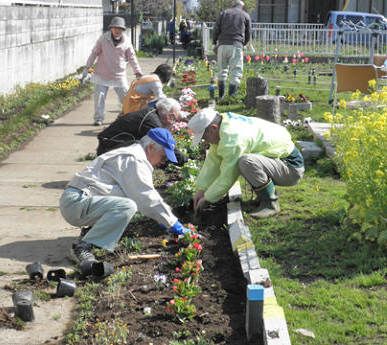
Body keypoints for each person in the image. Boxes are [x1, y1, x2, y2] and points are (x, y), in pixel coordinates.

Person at [59, 128, 195, 264]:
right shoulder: (135, 160)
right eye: (163, 157)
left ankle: (91, 232)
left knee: (129, 198)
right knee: (128, 205)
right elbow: (148, 198)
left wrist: (163, 217)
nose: (163, 162)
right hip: (76, 202)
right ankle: (81, 248)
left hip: (79, 199)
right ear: (151, 147)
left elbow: (143, 197)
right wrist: (174, 224)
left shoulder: (135, 154)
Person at [188, 108, 304, 219]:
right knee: (243, 162)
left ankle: (270, 203)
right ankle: (262, 198)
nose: (206, 142)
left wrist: (208, 198)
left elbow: (228, 175)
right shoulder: (223, 124)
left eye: (205, 138)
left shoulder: (233, 138)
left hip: (290, 168)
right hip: (277, 163)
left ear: (213, 127)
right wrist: (201, 190)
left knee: (245, 162)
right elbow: (213, 161)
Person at [82, 16, 143, 126]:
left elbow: (132, 58)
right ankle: (98, 119)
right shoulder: (103, 39)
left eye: (120, 28)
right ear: (111, 28)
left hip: (118, 74)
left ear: (123, 30)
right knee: (99, 98)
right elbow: (94, 53)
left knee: (125, 97)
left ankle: (128, 117)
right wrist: (87, 67)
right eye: (115, 28)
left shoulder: (127, 41)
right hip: (102, 74)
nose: (117, 30)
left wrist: (137, 72)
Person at [96, 98, 189, 166]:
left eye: (174, 119)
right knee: (142, 148)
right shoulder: (151, 120)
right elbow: (165, 143)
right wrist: (186, 161)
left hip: (115, 144)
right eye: (171, 117)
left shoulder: (153, 115)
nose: (170, 122)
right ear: (160, 110)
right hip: (108, 146)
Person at [212, 0, 251, 98]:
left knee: (222, 70)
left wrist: (214, 42)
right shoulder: (245, 15)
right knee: (236, 71)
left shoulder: (223, 14)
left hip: (222, 45)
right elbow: (248, 33)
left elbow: (216, 29)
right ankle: (231, 96)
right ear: (242, 7)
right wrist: (244, 44)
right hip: (236, 45)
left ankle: (221, 96)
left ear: (231, 5)